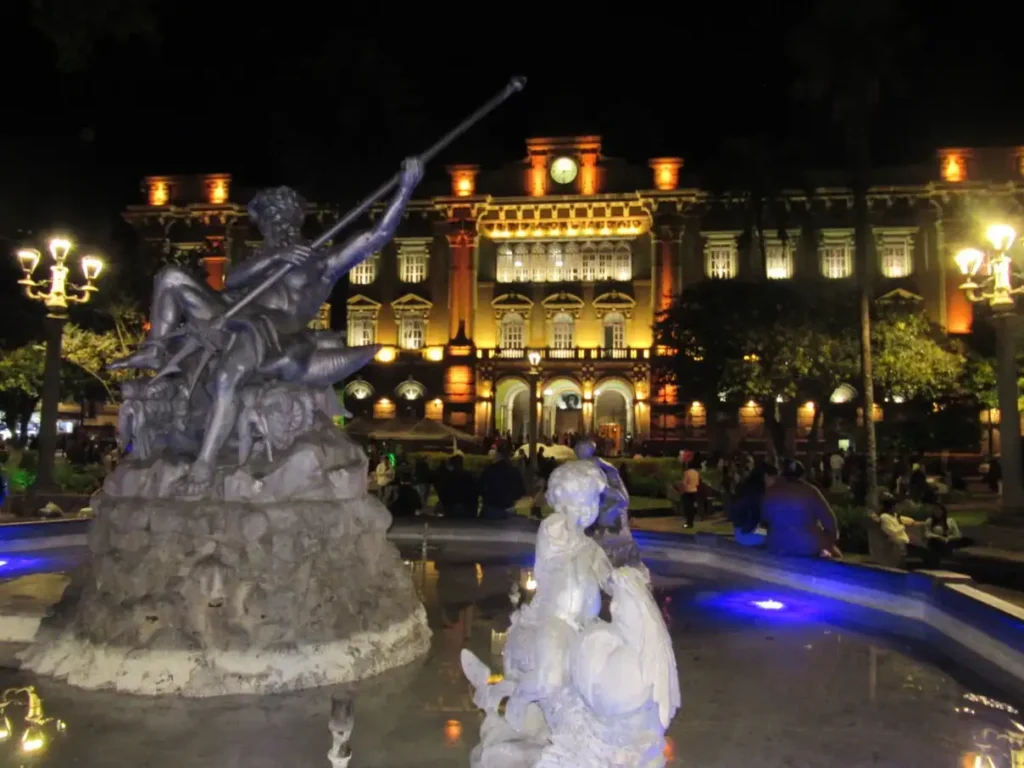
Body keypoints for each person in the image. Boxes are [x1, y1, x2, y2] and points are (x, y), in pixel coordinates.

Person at [110, 159, 425, 494]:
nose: (276, 226)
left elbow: (376, 236)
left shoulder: (323, 263)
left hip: (271, 331)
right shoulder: (267, 256)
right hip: (233, 314)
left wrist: (406, 187)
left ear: (295, 219)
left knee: (226, 376)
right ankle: (155, 351)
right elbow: (232, 281)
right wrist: (275, 258)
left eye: (281, 218)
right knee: (169, 277)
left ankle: (205, 462)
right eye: (269, 221)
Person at [761, 460, 841, 558]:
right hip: (806, 548)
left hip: (776, 545)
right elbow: (829, 521)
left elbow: (764, 517)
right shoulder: (811, 491)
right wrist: (829, 540)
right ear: (803, 476)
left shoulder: (771, 491)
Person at [729, 462, 777, 547]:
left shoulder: (746, 488)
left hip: (739, 533)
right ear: (766, 476)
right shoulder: (758, 494)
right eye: (774, 478)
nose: (775, 482)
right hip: (750, 534)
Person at [478, 443, 526, 520]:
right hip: (508, 508)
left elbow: (480, 489)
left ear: (498, 454)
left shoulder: (489, 470)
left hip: (491, 508)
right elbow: (521, 492)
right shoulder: (514, 471)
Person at [675, 462, 701, 528]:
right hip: (694, 491)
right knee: (691, 507)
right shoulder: (696, 473)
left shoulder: (687, 473)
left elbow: (684, 483)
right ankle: (691, 522)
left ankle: (688, 522)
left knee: (687, 507)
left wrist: (681, 490)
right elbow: (697, 483)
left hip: (687, 491)